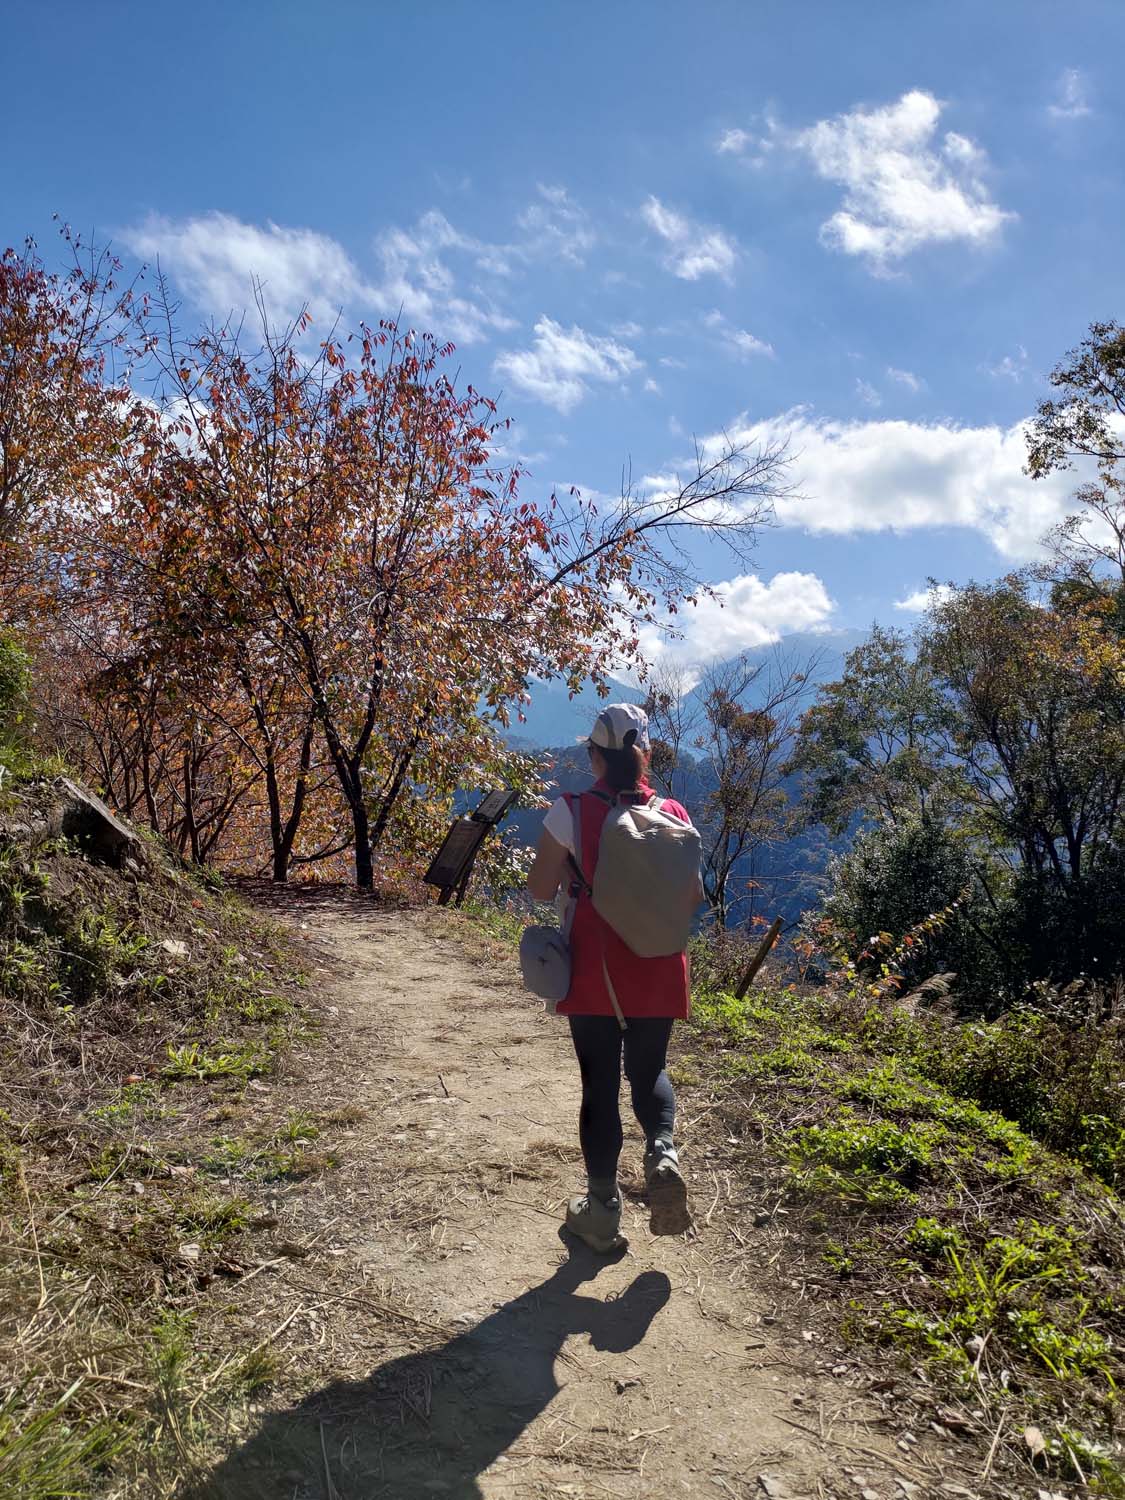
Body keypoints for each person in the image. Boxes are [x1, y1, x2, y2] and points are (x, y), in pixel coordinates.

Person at [527, 703, 695, 1252]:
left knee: (599, 1084)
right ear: (644, 755)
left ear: (593, 755)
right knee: (649, 1069)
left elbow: (538, 889)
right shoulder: (674, 813)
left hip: (596, 969)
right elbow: (690, 894)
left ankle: (600, 1213)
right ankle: (664, 1152)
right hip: (659, 964)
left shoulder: (569, 811)